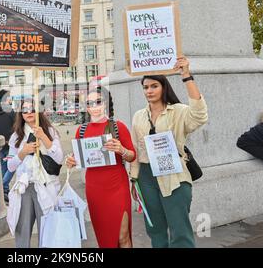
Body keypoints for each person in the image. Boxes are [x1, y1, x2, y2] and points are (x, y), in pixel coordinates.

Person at [129, 57, 208, 248]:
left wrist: (186, 76)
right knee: (155, 230)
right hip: (146, 177)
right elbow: (136, 150)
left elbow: (199, 116)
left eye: (154, 86)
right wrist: (134, 179)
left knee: (180, 231)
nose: (149, 91)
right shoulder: (139, 116)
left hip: (174, 175)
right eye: (145, 87)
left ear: (164, 87)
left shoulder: (178, 111)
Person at [66, 85, 136, 248]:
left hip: (117, 187)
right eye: (89, 103)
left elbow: (132, 156)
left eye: (98, 102)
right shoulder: (81, 130)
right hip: (95, 190)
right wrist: (71, 161)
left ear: (106, 103)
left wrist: (122, 150)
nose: (94, 107)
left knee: (123, 236)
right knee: (105, 239)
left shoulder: (118, 127)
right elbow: (77, 158)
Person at [7, 98, 64, 248]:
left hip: (46, 186)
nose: (28, 112)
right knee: (22, 229)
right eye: (24, 110)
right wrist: (23, 152)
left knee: (47, 228)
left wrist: (44, 137)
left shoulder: (50, 131)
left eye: (32, 109)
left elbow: (59, 159)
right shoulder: (16, 136)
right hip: (24, 187)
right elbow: (10, 166)